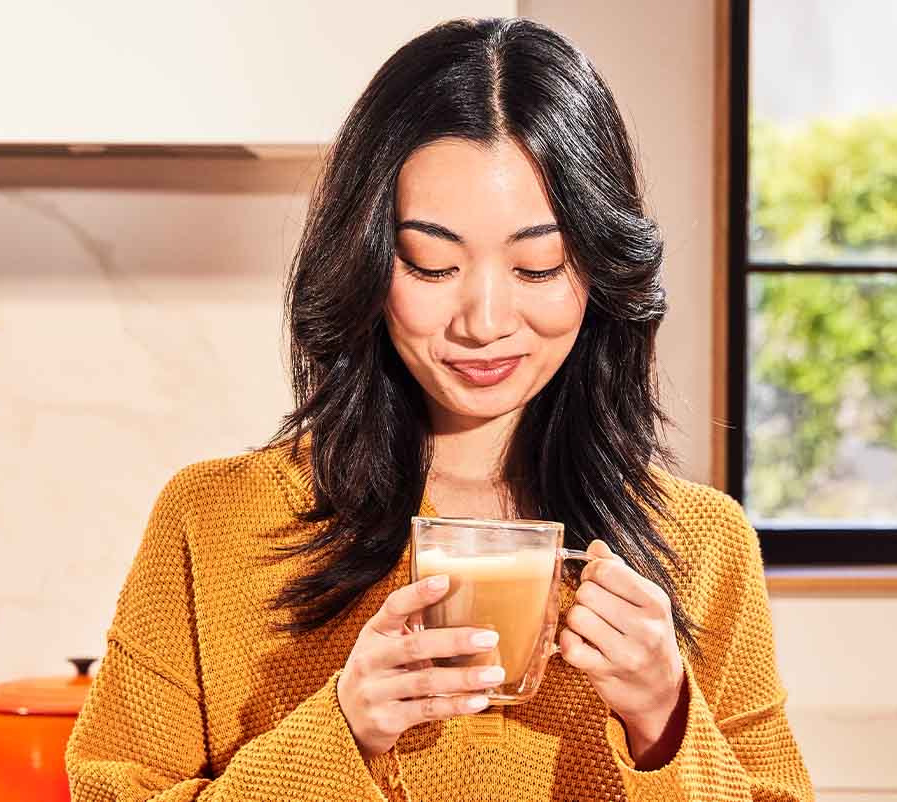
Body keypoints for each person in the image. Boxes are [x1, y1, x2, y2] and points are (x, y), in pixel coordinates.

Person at [66, 17, 813, 802]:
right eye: (432, 262)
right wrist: (341, 733)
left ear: (598, 270)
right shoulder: (214, 521)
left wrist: (665, 719)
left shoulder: (699, 545)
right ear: (363, 260)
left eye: (538, 265)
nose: (483, 320)